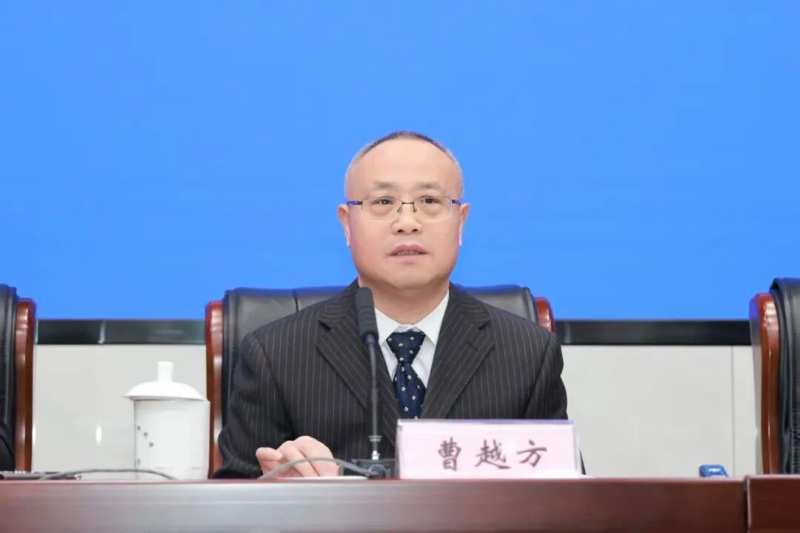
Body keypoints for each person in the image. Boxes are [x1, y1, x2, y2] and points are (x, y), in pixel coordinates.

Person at [215, 131, 569, 478]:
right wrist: (279, 493)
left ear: (461, 222)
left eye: (429, 201)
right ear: (346, 224)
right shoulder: (275, 355)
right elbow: (230, 501)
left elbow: (566, 500)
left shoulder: (528, 354)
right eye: (384, 202)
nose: (407, 223)